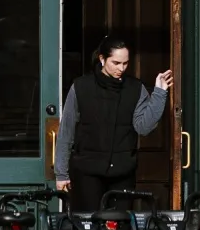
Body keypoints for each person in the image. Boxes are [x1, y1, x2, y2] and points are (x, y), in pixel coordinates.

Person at [54, 36, 171, 215]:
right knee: (88, 229)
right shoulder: (81, 87)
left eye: (125, 63)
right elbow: (66, 132)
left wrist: (159, 93)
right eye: (116, 63)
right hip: (87, 172)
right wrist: (61, 173)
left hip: (122, 173)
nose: (121, 68)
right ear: (102, 59)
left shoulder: (135, 88)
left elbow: (144, 127)